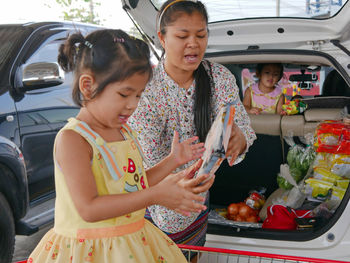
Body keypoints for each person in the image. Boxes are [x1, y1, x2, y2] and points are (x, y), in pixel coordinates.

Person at [27, 29, 212, 263]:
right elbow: (89, 209)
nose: (132, 105)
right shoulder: (74, 139)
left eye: (139, 95)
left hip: (132, 243)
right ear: (87, 85)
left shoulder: (123, 131)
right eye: (124, 94)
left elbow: (132, 185)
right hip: (90, 251)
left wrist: (172, 161)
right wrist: (155, 196)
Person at [128, 0, 256, 259]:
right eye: (182, 36)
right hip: (153, 201)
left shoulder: (218, 77)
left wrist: (238, 139)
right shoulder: (145, 89)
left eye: (201, 35)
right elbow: (148, 160)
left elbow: (240, 122)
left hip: (198, 199)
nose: (194, 44)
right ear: (162, 38)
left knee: (192, 255)